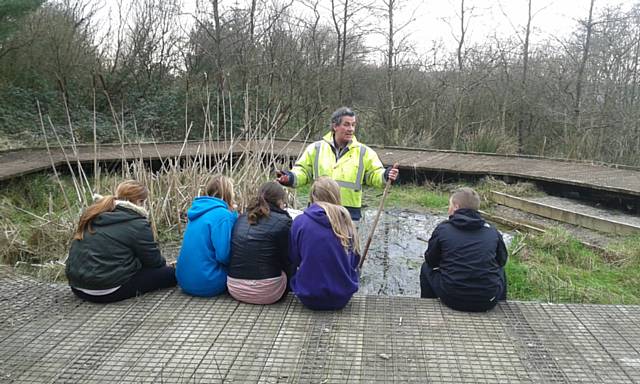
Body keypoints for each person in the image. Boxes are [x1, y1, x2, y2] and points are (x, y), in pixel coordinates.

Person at [276, 107, 399, 221]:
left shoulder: (364, 152)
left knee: (346, 246)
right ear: (335, 126)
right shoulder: (316, 149)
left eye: (353, 125)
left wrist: (386, 175)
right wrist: (290, 178)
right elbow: (303, 172)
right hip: (319, 212)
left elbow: (375, 174)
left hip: (348, 215)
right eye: (346, 124)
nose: (351, 129)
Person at [66, 180, 176, 303]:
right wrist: (166, 264)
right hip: (106, 291)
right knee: (172, 274)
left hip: (77, 287)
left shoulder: (96, 213)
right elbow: (153, 262)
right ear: (140, 202)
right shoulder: (137, 223)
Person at [420, 187, 508, 312]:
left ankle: (427, 307)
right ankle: (503, 307)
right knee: (500, 269)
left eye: (449, 205)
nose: (448, 209)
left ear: (456, 207)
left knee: (425, 268)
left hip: (452, 299)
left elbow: (431, 261)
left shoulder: (443, 230)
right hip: (488, 301)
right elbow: (502, 261)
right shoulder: (492, 231)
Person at [289, 177, 360, 310]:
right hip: (342, 298)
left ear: (313, 197)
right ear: (337, 196)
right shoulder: (347, 223)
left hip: (308, 296)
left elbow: (293, 259)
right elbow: (354, 262)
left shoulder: (300, 222)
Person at [227, 181, 292, 305]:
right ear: (280, 201)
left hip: (235, 288)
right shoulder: (284, 222)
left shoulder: (241, 218)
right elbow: (288, 258)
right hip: (268, 291)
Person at [176, 175, 238, 297]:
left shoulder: (196, 210)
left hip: (183, 280)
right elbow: (224, 256)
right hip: (207, 282)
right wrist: (235, 218)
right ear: (229, 193)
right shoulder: (223, 216)